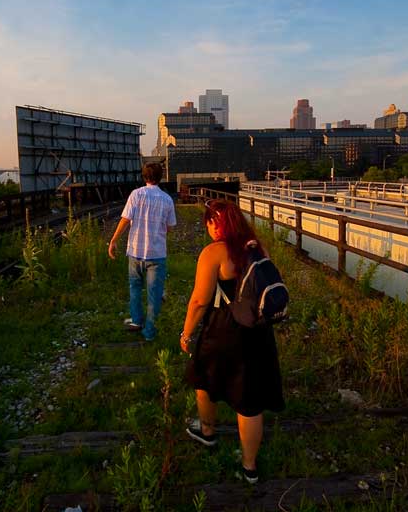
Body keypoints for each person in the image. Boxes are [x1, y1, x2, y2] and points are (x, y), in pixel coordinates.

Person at [180, 199, 284, 484]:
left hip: (223, 329)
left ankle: (207, 432)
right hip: (257, 330)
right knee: (250, 401)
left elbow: (200, 301)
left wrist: (186, 333)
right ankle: (249, 467)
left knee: (204, 379)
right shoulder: (258, 247)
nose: (209, 228)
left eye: (210, 222)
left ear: (216, 224)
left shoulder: (214, 252)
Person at [108, 162, 176, 342]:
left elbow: (125, 220)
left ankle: (137, 321)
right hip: (157, 253)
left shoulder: (136, 195)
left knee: (135, 288)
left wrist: (114, 240)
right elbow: (170, 227)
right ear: (160, 177)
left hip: (135, 250)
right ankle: (149, 332)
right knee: (155, 294)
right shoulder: (167, 199)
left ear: (144, 176)